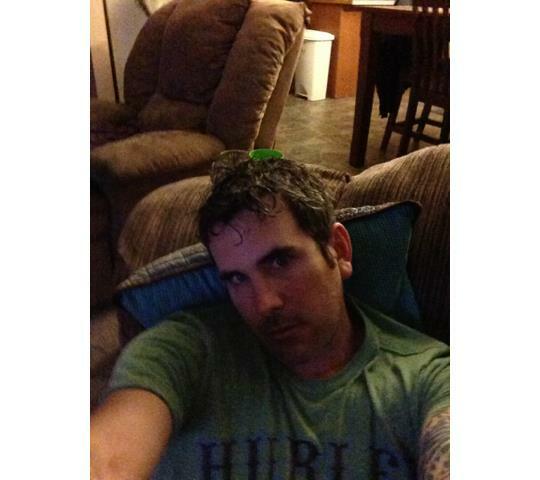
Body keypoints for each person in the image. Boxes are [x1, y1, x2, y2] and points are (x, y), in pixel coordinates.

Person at [91, 154, 450, 480]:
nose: (263, 304)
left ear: (339, 250)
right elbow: (108, 454)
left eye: (280, 261)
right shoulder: (185, 348)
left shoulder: (426, 374)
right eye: (237, 278)